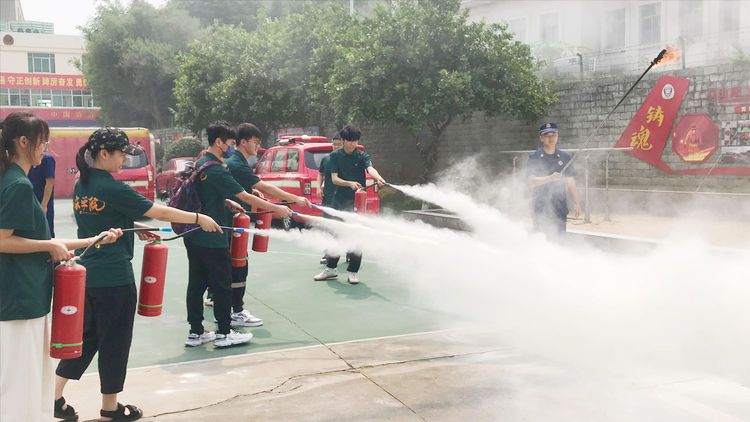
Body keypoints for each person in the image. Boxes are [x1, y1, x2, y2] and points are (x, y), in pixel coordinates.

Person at [54, 127, 222, 422]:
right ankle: (110, 410)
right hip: (114, 279)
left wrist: (133, 227)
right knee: (115, 343)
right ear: (104, 153)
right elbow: (160, 212)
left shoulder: (83, 184)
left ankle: (54, 398)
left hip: (88, 276)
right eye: (121, 154)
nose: (124, 160)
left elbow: (103, 219)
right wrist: (199, 217)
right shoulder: (112, 187)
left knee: (87, 339)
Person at [0, 112, 121, 422]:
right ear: (23, 142)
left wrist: (93, 240)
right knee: (20, 385)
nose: (46, 148)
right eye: (43, 141)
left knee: (26, 380)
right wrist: (48, 247)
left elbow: (41, 239)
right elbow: (2, 240)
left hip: (25, 297)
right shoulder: (17, 185)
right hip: (20, 300)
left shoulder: (13, 180)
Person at [184, 121, 292, 348]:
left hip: (194, 235)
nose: (232, 148)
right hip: (213, 237)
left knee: (196, 285)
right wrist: (277, 208)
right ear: (219, 142)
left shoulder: (201, 163)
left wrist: (226, 201)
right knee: (222, 284)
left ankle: (196, 332)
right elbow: (246, 196)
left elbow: (209, 194)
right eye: (230, 144)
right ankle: (224, 333)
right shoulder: (216, 169)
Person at [224, 123, 311, 327]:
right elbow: (263, 186)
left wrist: (252, 191)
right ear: (243, 142)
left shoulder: (237, 162)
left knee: (229, 265)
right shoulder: (237, 164)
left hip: (232, 221)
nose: (257, 146)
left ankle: (220, 301)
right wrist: (292, 199)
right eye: (255, 142)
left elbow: (243, 188)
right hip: (230, 223)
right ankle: (236, 311)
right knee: (238, 265)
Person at [313, 125, 386, 284]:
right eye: (350, 141)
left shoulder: (362, 155)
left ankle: (353, 272)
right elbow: (334, 179)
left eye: (356, 141)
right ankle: (331, 269)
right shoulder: (334, 156)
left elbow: (370, 169)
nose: (354, 144)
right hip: (339, 202)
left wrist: (378, 178)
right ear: (344, 140)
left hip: (358, 204)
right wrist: (350, 183)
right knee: (336, 235)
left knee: (356, 236)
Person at [526, 122, 582, 236]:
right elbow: (531, 182)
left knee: (560, 238)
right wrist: (550, 178)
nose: (551, 138)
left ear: (557, 136)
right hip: (541, 206)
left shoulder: (565, 157)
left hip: (559, 206)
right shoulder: (535, 156)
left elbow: (570, 182)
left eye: (554, 135)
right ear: (541, 138)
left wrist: (576, 203)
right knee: (541, 239)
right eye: (547, 135)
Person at [316, 132, 343, 264]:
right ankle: (328, 253)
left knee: (343, 227)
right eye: (334, 144)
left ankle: (349, 252)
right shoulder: (326, 159)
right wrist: (318, 187)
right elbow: (320, 174)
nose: (336, 147)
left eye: (339, 144)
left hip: (342, 199)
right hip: (328, 198)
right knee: (327, 226)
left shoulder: (346, 160)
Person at [27, 147, 56, 237]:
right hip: (30, 201)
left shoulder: (47, 159)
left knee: (46, 231)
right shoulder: (27, 159)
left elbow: (50, 182)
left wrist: (44, 205)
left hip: (42, 201)